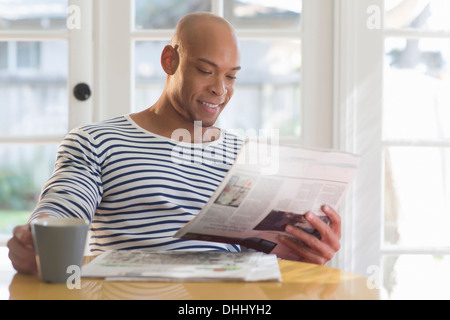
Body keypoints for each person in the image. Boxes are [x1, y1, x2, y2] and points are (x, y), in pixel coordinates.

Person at [7, 12, 341, 275]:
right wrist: (36, 238)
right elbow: (62, 209)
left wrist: (302, 255)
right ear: (170, 61)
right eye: (206, 70)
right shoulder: (96, 141)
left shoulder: (248, 157)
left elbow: (260, 265)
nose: (220, 89)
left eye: (231, 76)